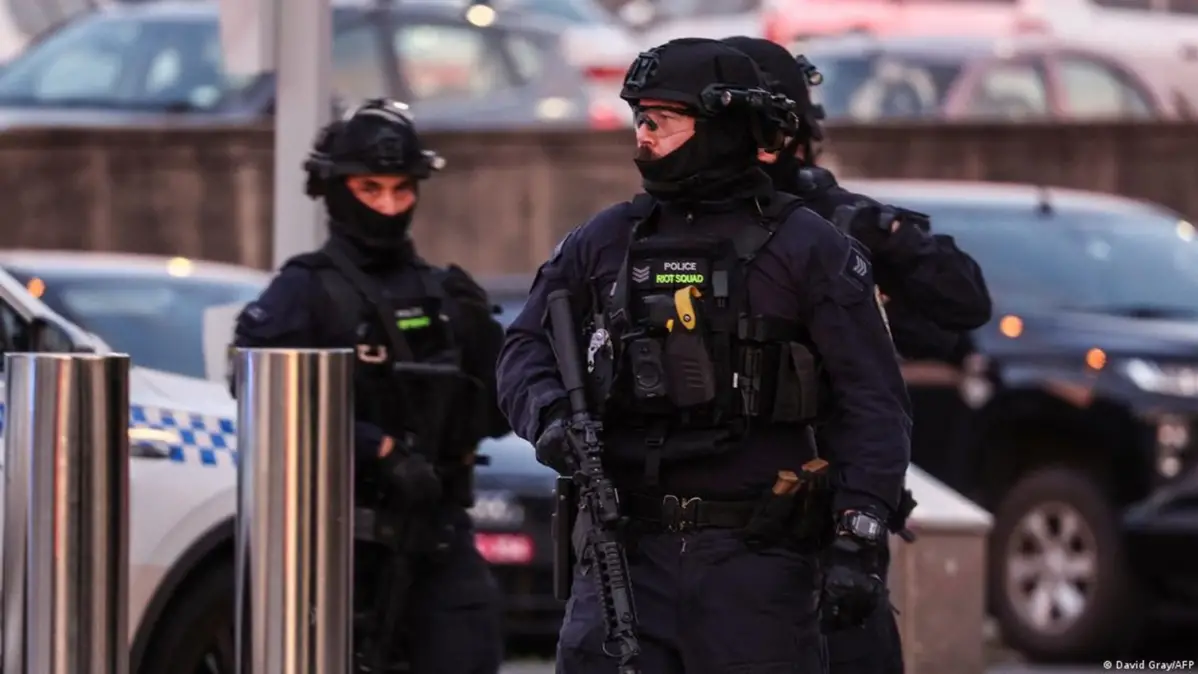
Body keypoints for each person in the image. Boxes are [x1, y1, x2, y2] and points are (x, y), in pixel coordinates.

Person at [496, 38, 912, 674]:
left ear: (719, 126)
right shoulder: (605, 241)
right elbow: (524, 347)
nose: (643, 137)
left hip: (757, 567)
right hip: (624, 555)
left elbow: (873, 402)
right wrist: (549, 418)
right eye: (639, 119)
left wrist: (859, 532)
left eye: (660, 120)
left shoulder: (808, 249)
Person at [720, 36, 995, 674]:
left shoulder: (836, 225)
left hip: (826, 518)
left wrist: (883, 237)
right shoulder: (662, 232)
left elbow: (963, 301)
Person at [232, 98, 508, 674]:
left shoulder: (446, 294)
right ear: (334, 190)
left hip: (438, 537)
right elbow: (262, 396)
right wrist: (374, 448)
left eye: (401, 189)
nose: (387, 205)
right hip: (340, 543)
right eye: (370, 188)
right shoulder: (302, 292)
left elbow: (504, 403)